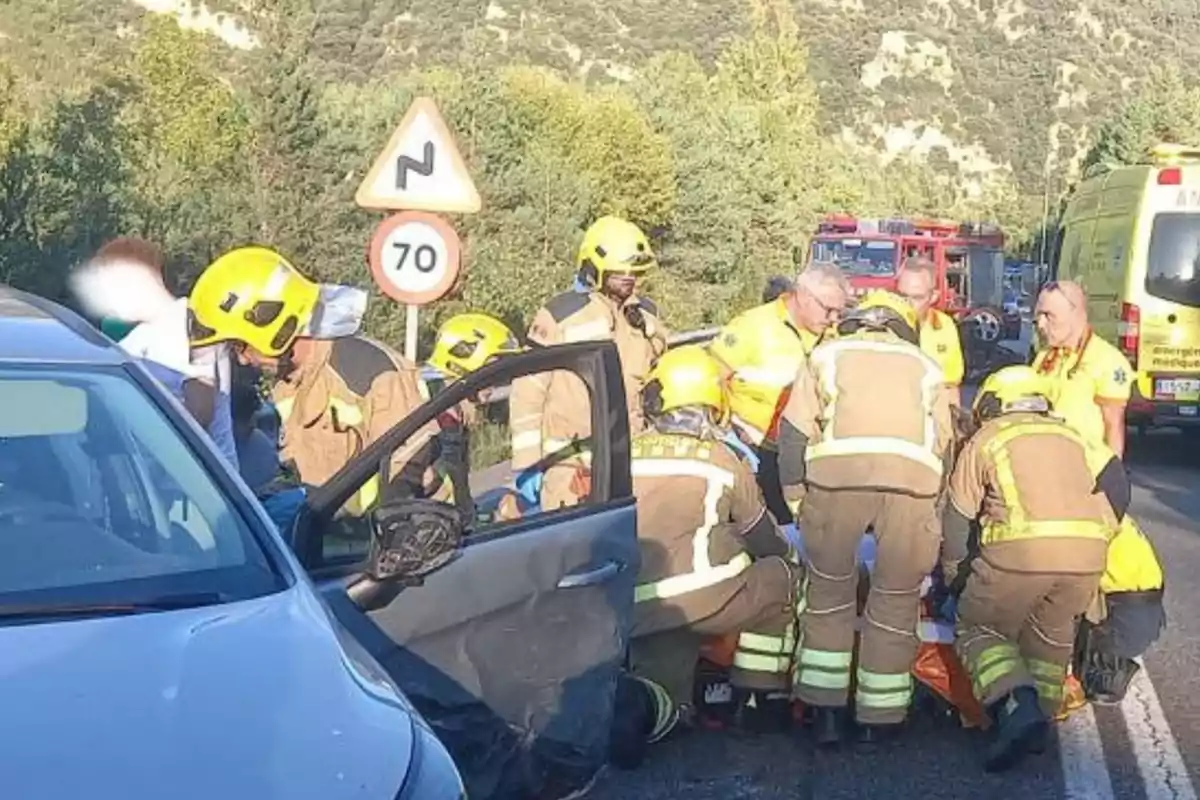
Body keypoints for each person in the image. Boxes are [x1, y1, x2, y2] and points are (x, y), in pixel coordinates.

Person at [777, 290, 954, 747]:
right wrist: (931, 506)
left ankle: (826, 714)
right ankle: (881, 718)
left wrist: (798, 501)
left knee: (829, 593)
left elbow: (794, 434)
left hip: (837, 484)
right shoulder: (927, 366)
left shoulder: (824, 356)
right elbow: (946, 443)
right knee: (895, 600)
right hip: (912, 488)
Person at [618, 346, 802, 764]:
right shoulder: (722, 459)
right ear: (712, 403)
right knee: (784, 576)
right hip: (709, 598)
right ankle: (756, 696)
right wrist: (789, 557)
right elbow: (764, 538)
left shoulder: (623, 454)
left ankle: (653, 706)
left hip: (637, 609)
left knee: (666, 703)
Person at [943, 365, 1126, 772]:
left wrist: (955, 576)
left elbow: (957, 517)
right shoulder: (1073, 436)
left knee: (979, 629)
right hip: (1087, 555)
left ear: (991, 404)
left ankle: (1016, 705)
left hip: (1020, 553)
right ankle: (1038, 728)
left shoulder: (987, 438)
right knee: (1050, 637)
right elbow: (1114, 485)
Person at [187, 245, 441, 516]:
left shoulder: (368, 372)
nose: (243, 360)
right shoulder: (287, 385)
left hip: (400, 539)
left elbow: (409, 462)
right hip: (333, 543)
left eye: (241, 346)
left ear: (271, 325)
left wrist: (391, 533)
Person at [508, 216, 668, 512]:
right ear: (595, 266)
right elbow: (527, 391)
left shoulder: (646, 318)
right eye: (620, 270)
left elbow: (662, 375)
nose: (629, 277)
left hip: (632, 455)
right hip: (570, 464)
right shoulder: (561, 315)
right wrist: (528, 464)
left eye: (634, 270)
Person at [68, 237, 238, 469]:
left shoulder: (193, 323)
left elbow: (200, 413)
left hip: (202, 487)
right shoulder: (134, 341)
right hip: (158, 488)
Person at [708, 261, 850, 525]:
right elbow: (712, 376)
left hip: (808, 455)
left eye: (839, 312)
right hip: (757, 450)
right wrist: (725, 432)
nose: (833, 319)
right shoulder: (753, 326)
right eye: (829, 310)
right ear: (803, 295)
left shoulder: (835, 336)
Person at [425, 312, 526, 523]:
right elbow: (428, 493)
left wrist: (487, 519)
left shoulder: (451, 415)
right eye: (490, 370)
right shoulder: (429, 418)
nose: (497, 380)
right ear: (461, 367)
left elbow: (456, 500)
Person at [1073, 507, 1167, 706]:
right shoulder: (1113, 512)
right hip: (1146, 615)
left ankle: (1098, 667)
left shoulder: (1088, 520)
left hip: (1123, 618)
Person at [1032, 280, 1133, 458]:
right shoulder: (1044, 356)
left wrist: (1111, 479)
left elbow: (1113, 426)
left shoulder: (1107, 360)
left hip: (1084, 470)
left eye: (1049, 316)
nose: (1040, 324)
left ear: (1075, 314)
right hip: (1044, 464)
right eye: (1038, 316)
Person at [896, 255, 965, 406]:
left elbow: (951, 387)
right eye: (902, 296)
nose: (907, 305)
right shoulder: (883, 325)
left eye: (917, 298)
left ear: (933, 296)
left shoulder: (944, 326)